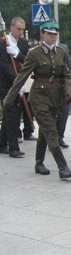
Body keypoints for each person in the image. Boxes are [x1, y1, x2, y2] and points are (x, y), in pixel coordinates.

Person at [3, 21, 71, 179]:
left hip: (55, 96)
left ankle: (39, 163)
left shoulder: (61, 52)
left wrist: (68, 91)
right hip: (39, 96)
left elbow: (66, 74)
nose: (53, 37)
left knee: (44, 130)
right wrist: (10, 98)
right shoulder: (34, 53)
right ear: (42, 34)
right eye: (49, 34)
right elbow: (22, 75)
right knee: (51, 130)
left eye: (55, 34)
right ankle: (63, 168)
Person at [0, 16, 30, 157]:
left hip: (20, 83)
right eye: (18, 29)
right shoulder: (3, 43)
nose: (20, 32)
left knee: (9, 115)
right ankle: (14, 148)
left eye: (23, 29)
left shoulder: (23, 43)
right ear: (11, 27)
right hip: (6, 85)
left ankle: (1, 144)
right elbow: (5, 66)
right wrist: (17, 81)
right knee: (11, 115)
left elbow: (28, 61)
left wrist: (17, 54)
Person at [55, 41, 71, 148]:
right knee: (52, 114)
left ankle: (60, 136)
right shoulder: (39, 49)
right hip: (50, 86)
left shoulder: (63, 47)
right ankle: (51, 139)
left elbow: (69, 66)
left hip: (65, 85)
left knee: (64, 111)